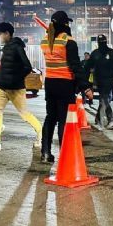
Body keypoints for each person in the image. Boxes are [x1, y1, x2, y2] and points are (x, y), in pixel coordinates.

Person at [40, 11, 93, 163]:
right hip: (65, 84)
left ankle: (45, 152)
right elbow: (76, 67)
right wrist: (86, 88)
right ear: (65, 24)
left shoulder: (45, 40)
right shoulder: (68, 41)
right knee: (64, 119)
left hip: (50, 83)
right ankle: (65, 154)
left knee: (50, 117)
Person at [0, 22, 42, 152]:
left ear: (7, 33)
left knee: (24, 114)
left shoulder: (17, 47)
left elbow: (27, 67)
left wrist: (15, 79)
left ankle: (41, 135)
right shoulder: (7, 47)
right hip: (2, 87)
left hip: (15, 88)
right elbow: (6, 67)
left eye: (0, 34)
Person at [84, 34, 113, 129]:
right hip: (100, 80)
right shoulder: (95, 53)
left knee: (104, 98)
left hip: (109, 80)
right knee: (103, 99)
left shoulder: (111, 53)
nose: (102, 44)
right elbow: (87, 66)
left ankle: (110, 118)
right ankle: (98, 118)